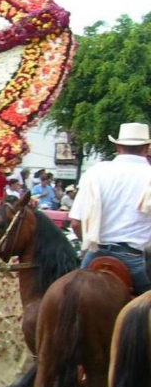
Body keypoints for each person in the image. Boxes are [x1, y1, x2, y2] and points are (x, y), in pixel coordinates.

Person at [69, 122, 151, 295]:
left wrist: (88, 246)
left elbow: (76, 223)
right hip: (135, 259)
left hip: (96, 254)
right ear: (147, 148)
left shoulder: (95, 172)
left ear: (118, 146)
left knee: (69, 294)